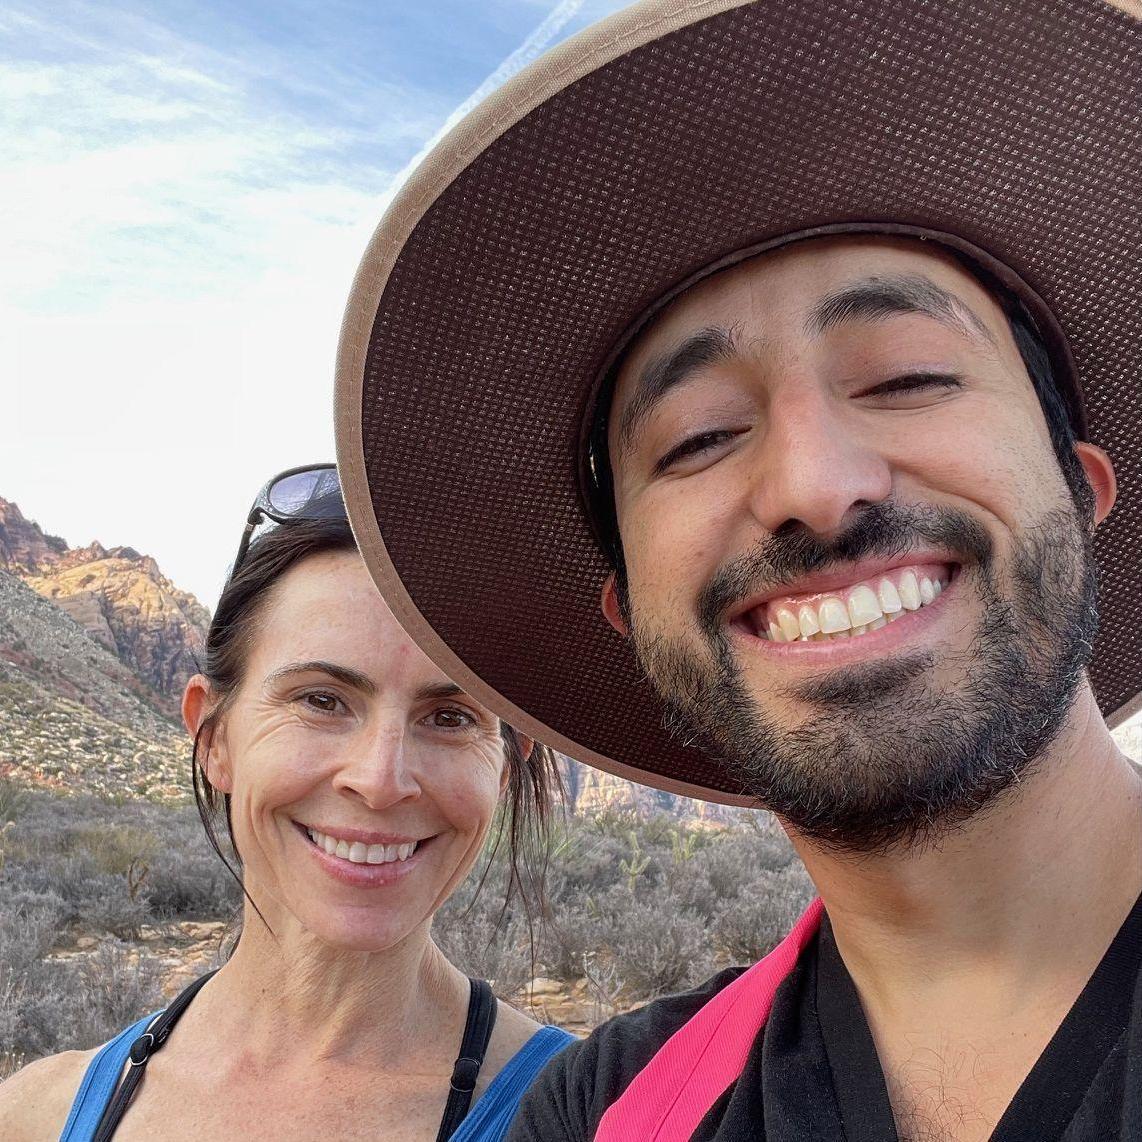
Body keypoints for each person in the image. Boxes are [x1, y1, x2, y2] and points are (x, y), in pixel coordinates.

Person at [329, 0, 1142, 1137]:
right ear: (632, 611)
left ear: (1081, 488)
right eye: (698, 437)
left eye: (906, 374)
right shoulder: (604, 1110)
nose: (813, 484)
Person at [0, 464, 573, 1141]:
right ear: (215, 739)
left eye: (449, 717)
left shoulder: (592, 1115)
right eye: (322, 701)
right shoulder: (36, 1114)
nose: (381, 779)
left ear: (505, 766)